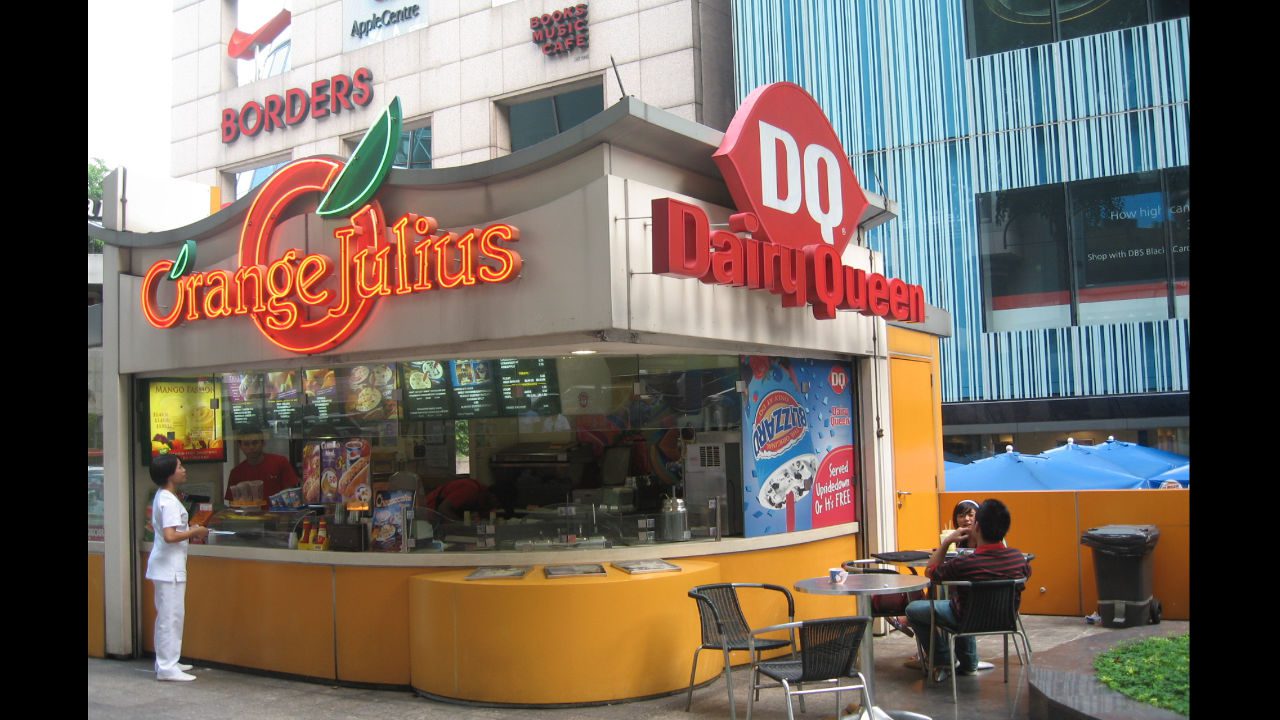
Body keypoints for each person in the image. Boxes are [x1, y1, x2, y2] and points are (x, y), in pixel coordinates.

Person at [906, 498, 1030, 679]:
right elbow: (1027, 573)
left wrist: (946, 542)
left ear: (977, 527)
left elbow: (930, 572)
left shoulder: (964, 563)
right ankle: (969, 663)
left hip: (965, 618)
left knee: (914, 609)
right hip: (1005, 620)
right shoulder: (1018, 559)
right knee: (961, 604)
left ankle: (943, 662)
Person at [147, 454, 209, 682]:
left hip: (167, 567)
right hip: (168, 568)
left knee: (170, 616)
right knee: (170, 617)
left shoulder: (164, 497)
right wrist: (194, 531)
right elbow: (170, 535)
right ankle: (166, 666)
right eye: (180, 467)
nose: (184, 470)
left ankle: (169, 660)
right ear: (169, 474)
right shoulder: (168, 500)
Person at [224, 427, 299, 504]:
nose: (251, 447)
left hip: (278, 514)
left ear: (263, 443)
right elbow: (233, 505)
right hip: (247, 515)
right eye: (246, 444)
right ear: (240, 446)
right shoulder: (236, 473)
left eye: (255, 443)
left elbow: (292, 496)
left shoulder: (280, 462)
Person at [422, 477, 499, 521]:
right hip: (430, 512)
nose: (494, 506)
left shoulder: (482, 498)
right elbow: (443, 509)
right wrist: (461, 525)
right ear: (492, 496)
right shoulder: (470, 489)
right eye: (496, 502)